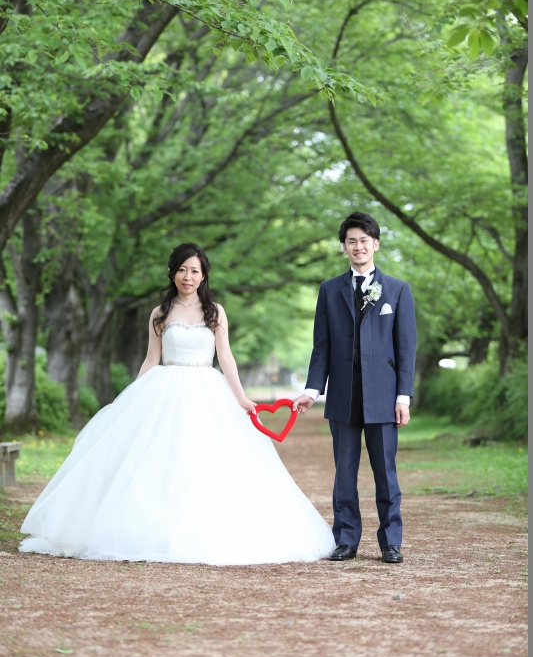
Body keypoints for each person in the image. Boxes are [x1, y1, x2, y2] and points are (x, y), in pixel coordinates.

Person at [20, 243, 334, 565]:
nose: (188, 276)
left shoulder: (215, 312)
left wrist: (241, 397)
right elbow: (151, 359)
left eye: (194, 271)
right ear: (173, 273)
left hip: (207, 389)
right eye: (182, 270)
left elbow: (226, 357)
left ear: (203, 275)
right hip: (164, 388)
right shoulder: (160, 313)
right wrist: (132, 397)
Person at [293, 212, 416, 564]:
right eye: (351, 241)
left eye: (364, 240)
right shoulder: (329, 290)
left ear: (375, 244)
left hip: (384, 396)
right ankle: (346, 539)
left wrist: (403, 397)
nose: (358, 246)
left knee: (385, 472)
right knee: (344, 472)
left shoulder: (397, 290)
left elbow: (406, 347)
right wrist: (312, 391)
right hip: (343, 395)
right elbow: (322, 345)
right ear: (344, 247)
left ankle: (391, 541)